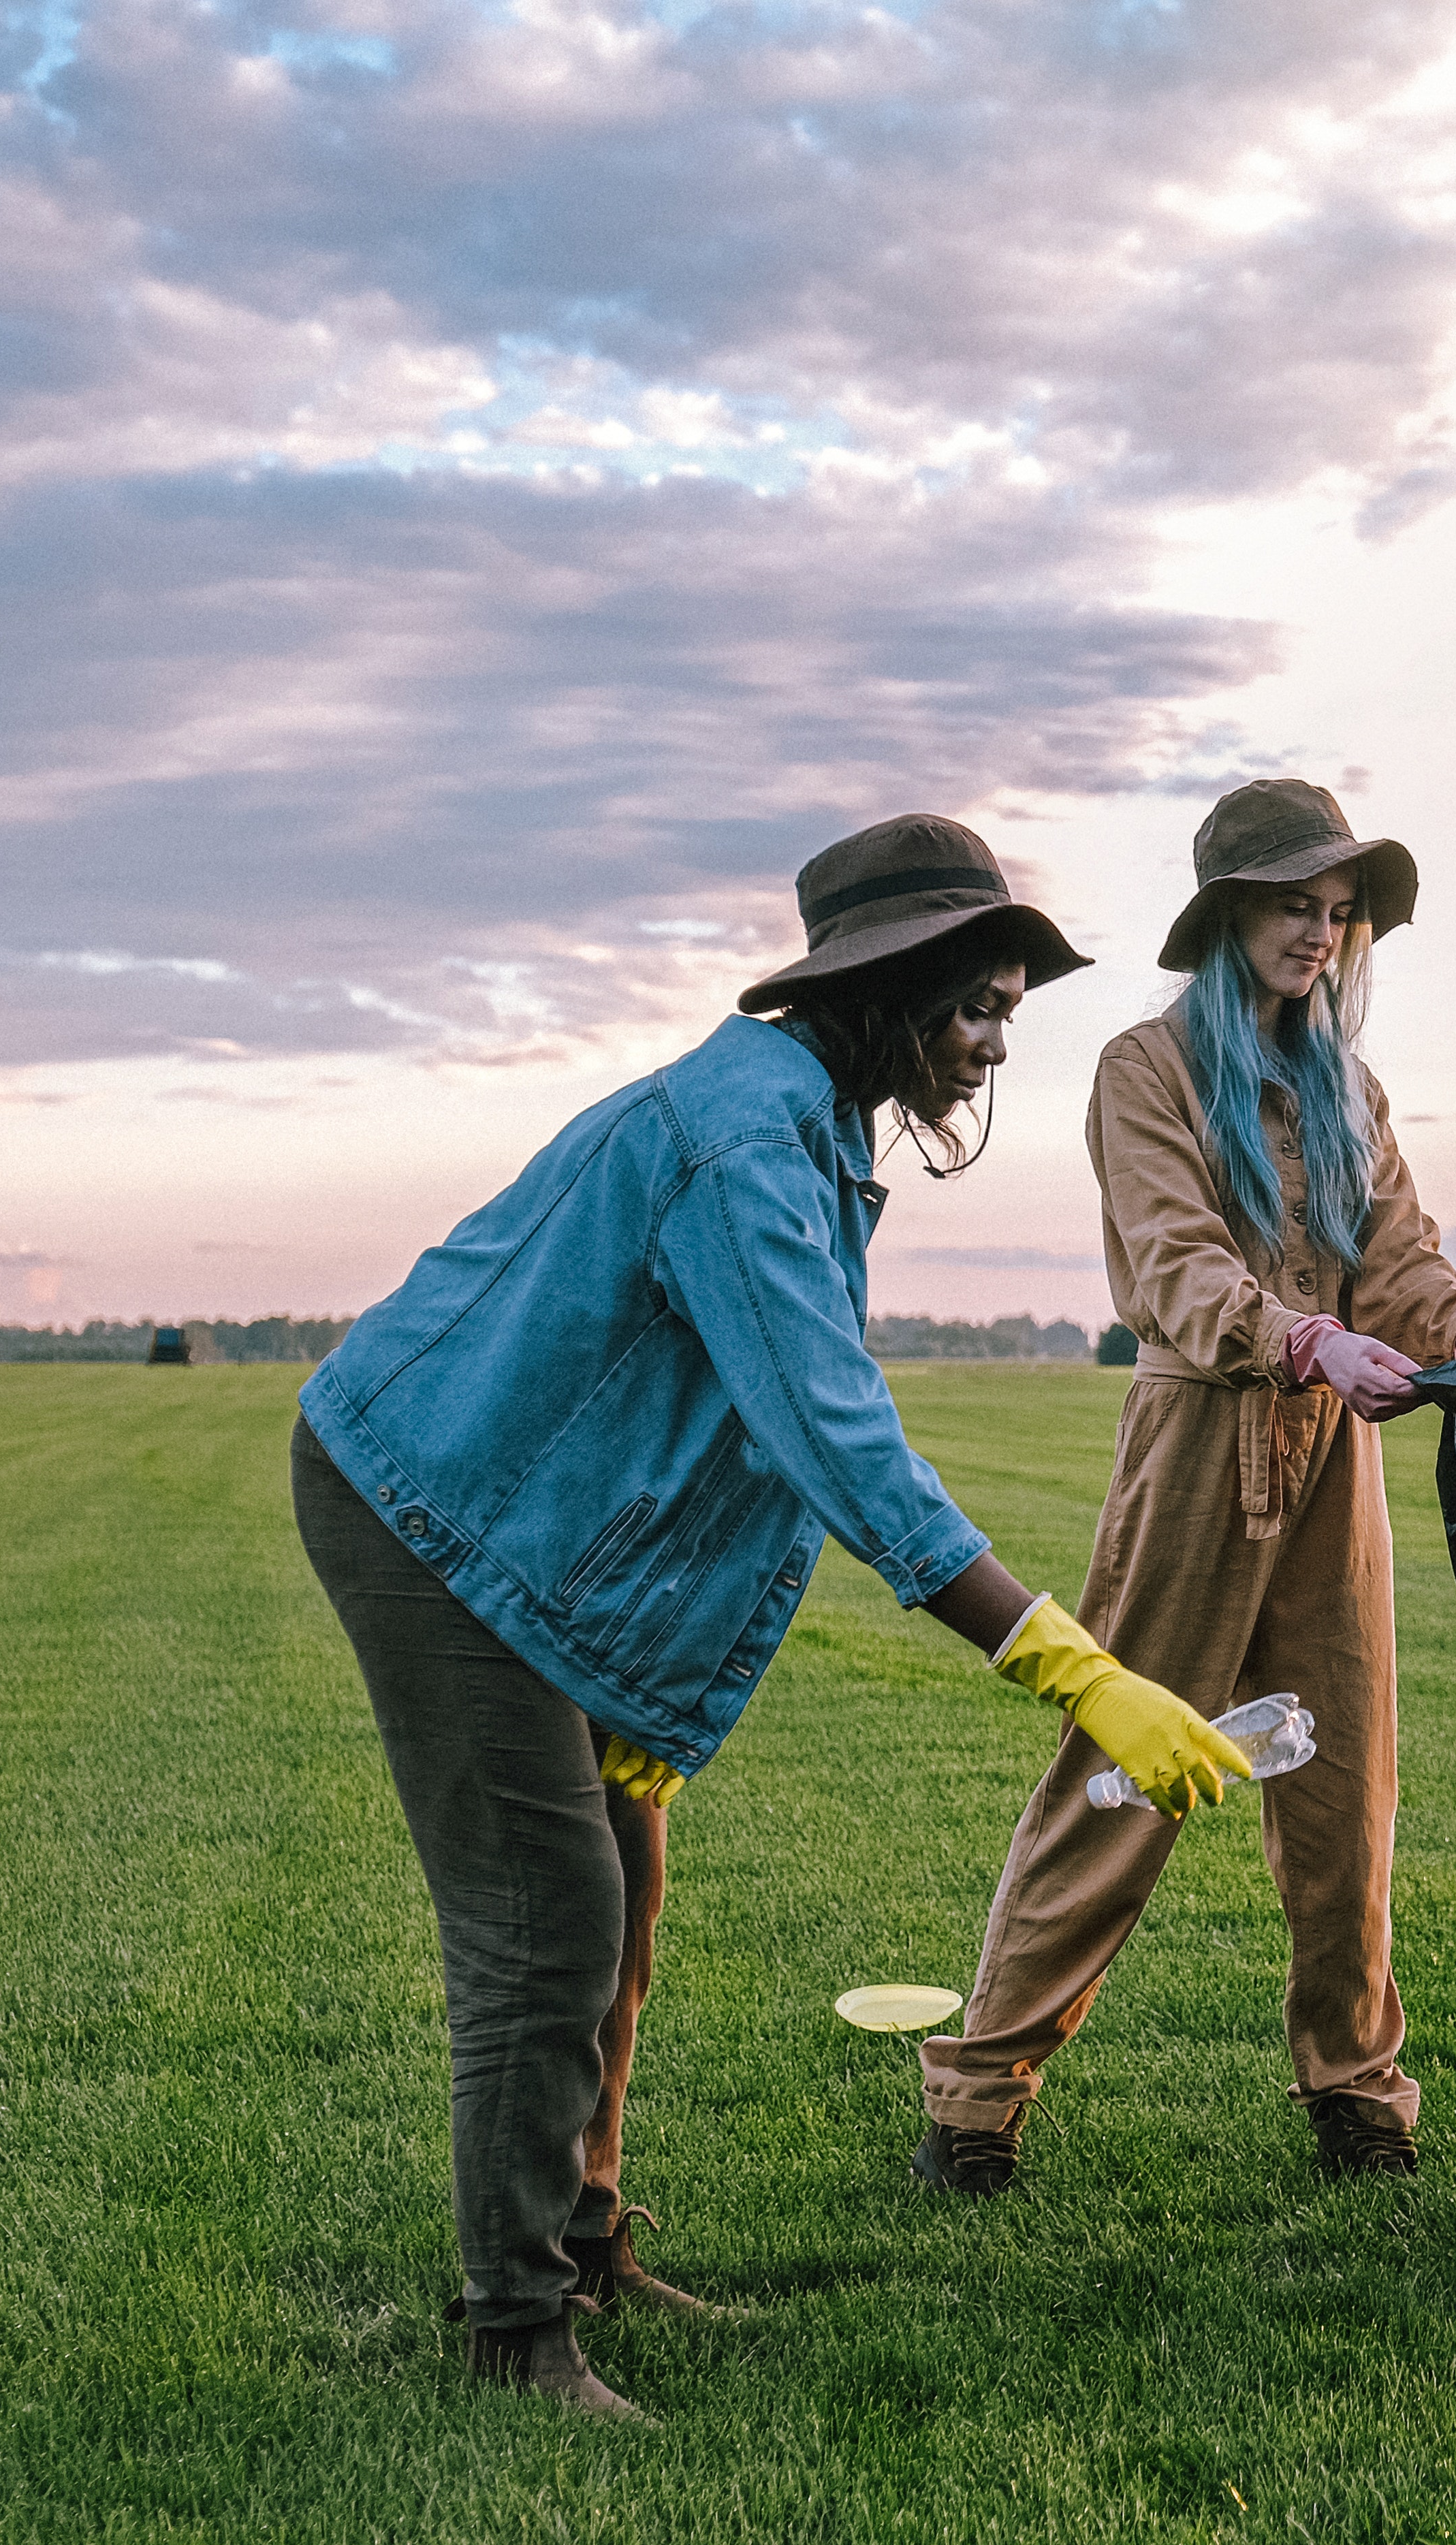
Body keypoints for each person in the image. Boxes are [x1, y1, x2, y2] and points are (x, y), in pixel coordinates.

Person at [295, 814, 1251, 2420]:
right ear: (881, 986)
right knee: (547, 1922)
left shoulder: (807, 1126)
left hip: (523, 1519)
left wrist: (650, 1703)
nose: (992, 1040)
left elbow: (707, 1453)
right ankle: (515, 2336)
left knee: (625, 1876)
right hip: (430, 1505)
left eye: (1008, 1007)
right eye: (974, 1005)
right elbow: (830, 1437)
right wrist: (1077, 1670)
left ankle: (584, 2237)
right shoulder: (747, 1140)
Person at [917, 781, 1456, 2192]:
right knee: (1122, 1771)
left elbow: (1401, 1259)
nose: (1323, 929)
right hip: (1199, 1439)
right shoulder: (1143, 1069)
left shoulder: (1348, 1088)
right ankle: (978, 2095)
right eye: (1297, 902)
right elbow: (1175, 1263)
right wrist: (1301, 1336)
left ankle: (1358, 2090)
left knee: (1347, 1788)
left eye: (1340, 908)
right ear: (1230, 911)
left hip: (1331, 1461)